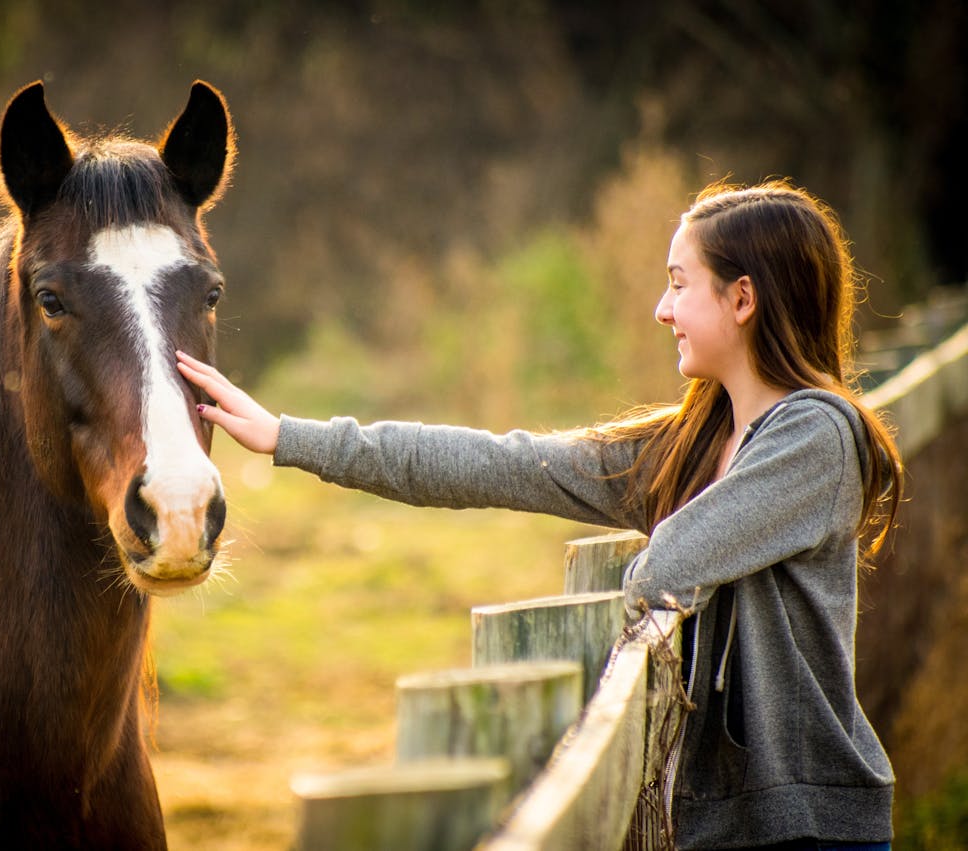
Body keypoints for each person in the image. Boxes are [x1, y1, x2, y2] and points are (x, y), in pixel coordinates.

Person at [176, 180, 901, 850]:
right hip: (718, 828)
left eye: (679, 285)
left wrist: (647, 584)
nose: (661, 308)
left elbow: (674, 561)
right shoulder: (693, 444)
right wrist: (291, 437)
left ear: (742, 300)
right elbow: (501, 462)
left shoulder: (817, 437)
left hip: (814, 828)